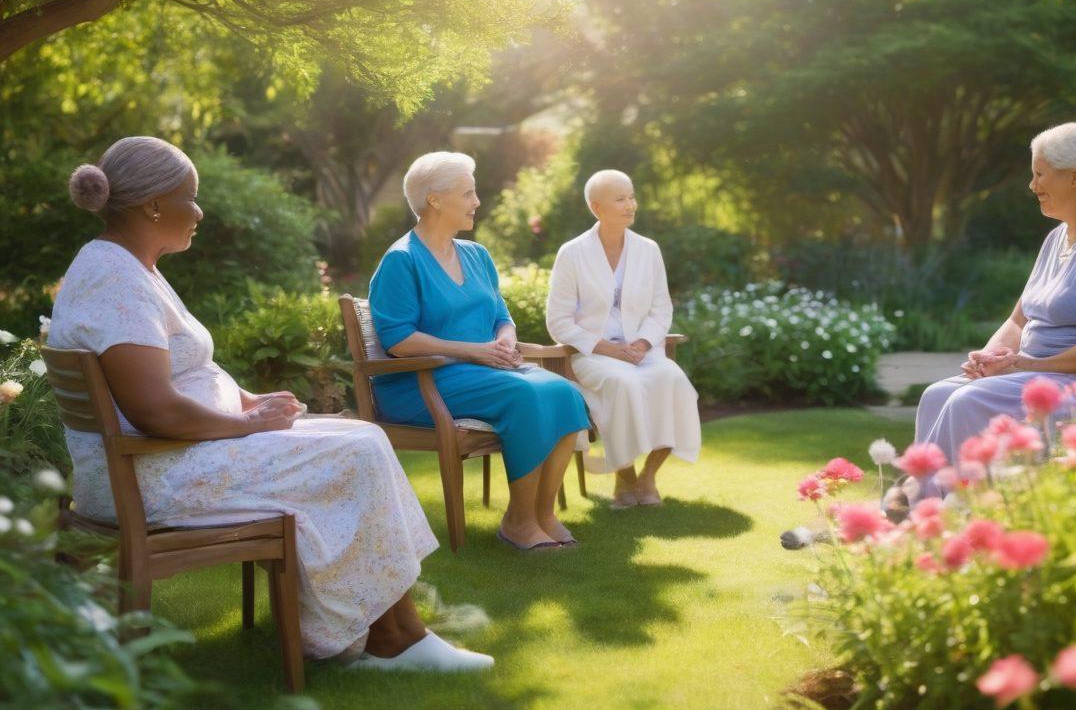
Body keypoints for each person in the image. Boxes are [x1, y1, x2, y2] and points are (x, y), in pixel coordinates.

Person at [50, 136, 491, 672]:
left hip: (167, 458)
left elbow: (183, 371)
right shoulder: (114, 278)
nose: (200, 210)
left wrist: (248, 401)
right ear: (153, 204)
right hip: (155, 473)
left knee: (359, 436)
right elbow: (155, 411)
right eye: (192, 197)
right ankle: (393, 638)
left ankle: (380, 630)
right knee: (357, 453)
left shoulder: (124, 267)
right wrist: (246, 424)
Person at [913, 122, 1076, 490]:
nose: (1032, 186)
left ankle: (936, 518)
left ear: (1074, 177)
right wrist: (988, 357)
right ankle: (921, 507)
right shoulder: (1055, 238)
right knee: (938, 394)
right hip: (1044, 374)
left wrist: (1031, 364)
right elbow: (1018, 319)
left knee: (967, 401)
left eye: (1040, 174)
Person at [368, 151, 590, 550]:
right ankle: (519, 523)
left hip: (480, 372)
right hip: (420, 383)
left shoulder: (476, 255)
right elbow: (398, 341)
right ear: (434, 199)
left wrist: (505, 338)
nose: (477, 202)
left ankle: (542, 515)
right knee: (524, 395)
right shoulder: (401, 260)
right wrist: (474, 351)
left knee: (567, 393)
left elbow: (501, 316)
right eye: (468, 193)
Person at [546, 170, 701, 508]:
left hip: (641, 351)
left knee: (673, 379)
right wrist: (606, 348)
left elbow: (661, 308)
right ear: (596, 207)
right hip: (593, 355)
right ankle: (625, 477)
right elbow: (557, 321)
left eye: (631, 196)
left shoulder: (648, 249)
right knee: (623, 386)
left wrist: (643, 343)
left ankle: (647, 478)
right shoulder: (572, 253)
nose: (631, 205)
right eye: (621, 199)